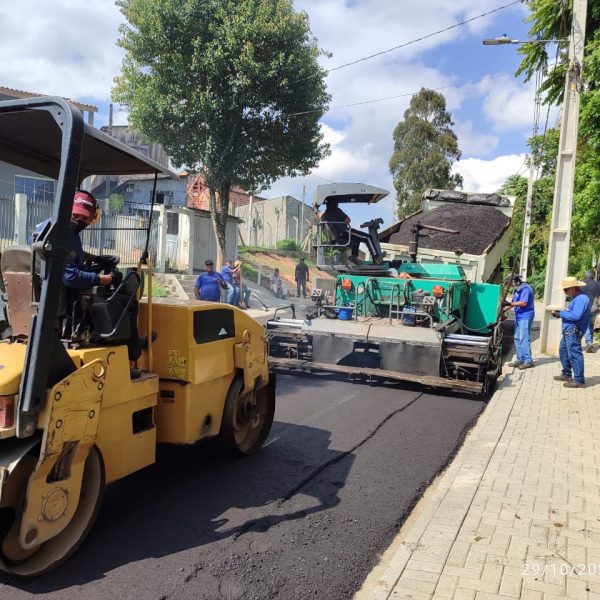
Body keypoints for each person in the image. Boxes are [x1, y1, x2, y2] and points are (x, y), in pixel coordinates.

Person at [32, 190, 113, 289]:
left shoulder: (61, 227)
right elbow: (71, 277)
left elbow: (71, 253)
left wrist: (96, 258)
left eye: (84, 217)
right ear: (67, 210)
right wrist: (107, 279)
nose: (79, 220)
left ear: (91, 218)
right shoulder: (58, 233)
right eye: (75, 215)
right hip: (55, 292)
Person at [551, 276, 591, 388]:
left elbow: (576, 316)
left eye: (565, 289)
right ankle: (566, 373)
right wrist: (560, 313)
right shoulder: (576, 297)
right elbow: (572, 313)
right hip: (569, 330)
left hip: (573, 330)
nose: (565, 292)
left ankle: (579, 380)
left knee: (574, 354)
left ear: (573, 288)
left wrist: (561, 314)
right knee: (563, 351)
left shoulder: (581, 298)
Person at [320, 199, 383, 265]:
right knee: (367, 237)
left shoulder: (325, 214)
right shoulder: (337, 210)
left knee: (356, 239)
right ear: (335, 204)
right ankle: (376, 258)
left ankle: (354, 256)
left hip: (337, 236)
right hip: (344, 232)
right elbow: (348, 220)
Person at [505, 275, 535, 370]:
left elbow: (523, 303)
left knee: (524, 338)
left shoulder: (526, 289)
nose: (511, 287)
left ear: (515, 282)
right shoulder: (517, 289)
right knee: (517, 338)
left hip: (526, 316)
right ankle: (520, 359)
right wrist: (503, 309)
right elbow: (514, 302)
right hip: (519, 316)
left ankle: (528, 361)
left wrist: (509, 304)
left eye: (511, 284)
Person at [582, 271, 600, 352]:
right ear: (593, 276)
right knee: (591, 324)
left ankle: (588, 342)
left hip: (584, 305)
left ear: (586, 276)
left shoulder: (581, 283)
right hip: (594, 306)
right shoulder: (597, 284)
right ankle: (590, 342)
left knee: (585, 324)